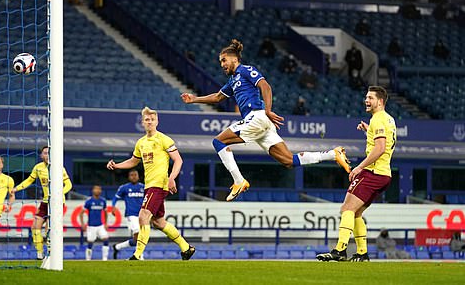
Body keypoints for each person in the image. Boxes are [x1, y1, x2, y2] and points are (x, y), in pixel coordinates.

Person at [181, 39, 351, 201]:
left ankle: (239, 180)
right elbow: (218, 97)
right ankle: (332, 154)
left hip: (257, 117)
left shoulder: (246, 70)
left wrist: (268, 110)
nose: (222, 65)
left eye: (224, 60)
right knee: (288, 161)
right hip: (261, 123)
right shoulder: (232, 81)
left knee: (218, 142)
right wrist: (194, 99)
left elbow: (265, 86)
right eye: (220, 62)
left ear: (234, 58)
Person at [317, 86, 397, 262]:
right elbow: (384, 141)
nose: (366, 100)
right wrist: (368, 130)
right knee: (356, 212)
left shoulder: (378, 119)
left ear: (380, 101)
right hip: (384, 175)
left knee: (347, 209)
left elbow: (380, 148)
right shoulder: (388, 119)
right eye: (366, 97)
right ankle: (362, 253)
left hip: (372, 172)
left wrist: (360, 167)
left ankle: (340, 250)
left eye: (370, 98)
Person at [107, 107, 195, 261]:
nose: (149, 122)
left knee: (143, 216)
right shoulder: (141, 143)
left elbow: (178, 160)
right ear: (143, 122)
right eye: (147, 119)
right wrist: (117, 165)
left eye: (152, 119)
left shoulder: (164, 139)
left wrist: (172, 178)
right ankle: (186, 248)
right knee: (158, 222)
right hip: (150, 185)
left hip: (159, 184)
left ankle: (137, 254)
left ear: (157, 122)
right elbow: (134, 161)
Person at [12, 146, 73, 260]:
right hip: (45, 202)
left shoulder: (59, 167)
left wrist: (59, 194)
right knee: (35, 227)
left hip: (57, 203)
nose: (47, 155)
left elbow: (69, 185)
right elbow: (29, 180)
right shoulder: (38, 168)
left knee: (49, 228)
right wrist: (16, 189)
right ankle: (40, 253)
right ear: (41, 156)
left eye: (49, 153)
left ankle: (51, 253)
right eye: (45, 153)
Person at [111, 169, 144, 259]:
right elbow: (115, 198)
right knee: (138, 233)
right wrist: (113, 207)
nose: (134, 176)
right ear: (129, 177)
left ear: (138, 176)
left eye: (135, 175)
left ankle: (117, 247)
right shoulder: (124, 187)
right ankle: (140, 256)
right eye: (131, 175)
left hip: (142, 215)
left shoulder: (143, 187)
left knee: (136, 240)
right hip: (131, 215)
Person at [81, 185, 109, 261]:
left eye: (99, 189)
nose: (98, 190)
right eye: (96, 189)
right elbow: (81, 213)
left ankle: (105, 258)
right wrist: (82, 224)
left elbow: (106, 212)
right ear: (93, 190)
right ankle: (88, 259)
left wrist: (106, 223)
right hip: (91, 226)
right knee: (90, 243)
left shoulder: (103, 201)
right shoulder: (89, 201)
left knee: (106, 239)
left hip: (100, 225)